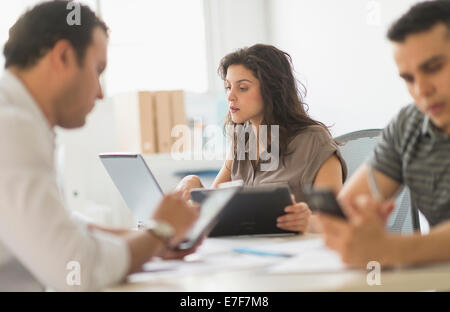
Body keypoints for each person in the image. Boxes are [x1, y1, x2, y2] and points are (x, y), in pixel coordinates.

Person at [0, 1, 200, 291]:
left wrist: (146, 241)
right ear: (64, 56)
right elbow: (79, 271)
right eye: (98, 69)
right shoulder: (13, 127)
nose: (101, 92)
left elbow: (51, 225)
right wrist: (161, 232)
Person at [320, 0, 450, 268]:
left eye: (434, 67)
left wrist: (392, 249)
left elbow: (389, 250)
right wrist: (357, 222)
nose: (421, 90)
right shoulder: (409, 125)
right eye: (409, 78)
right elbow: (347, 209)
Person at [178, 44, 347, 233]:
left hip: (296, 253)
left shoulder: (314, 140)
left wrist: (308, 222)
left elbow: (336, 222)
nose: (230, 96)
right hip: (247, 250)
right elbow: (214, 207)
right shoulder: (243, 139)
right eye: (228, 87)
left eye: (242, 88)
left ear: (272, 89)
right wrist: (192, 183)